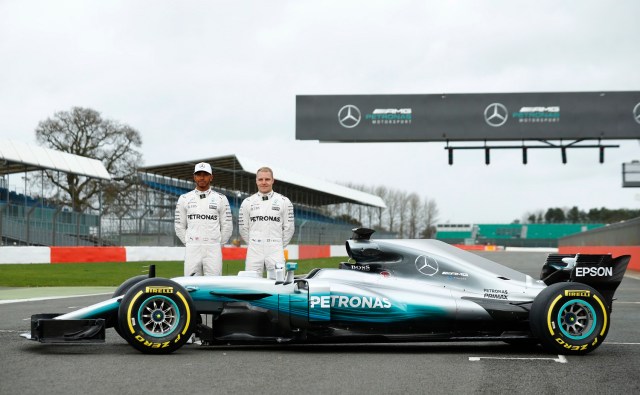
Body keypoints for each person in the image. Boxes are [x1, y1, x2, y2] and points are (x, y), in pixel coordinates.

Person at [175, 162, 233, 276]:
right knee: (191, 285)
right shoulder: (184, 198)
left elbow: (227, 226)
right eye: (199, 174)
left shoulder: (221, 199)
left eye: (205, 174)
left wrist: (216, 243)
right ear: (194, 177)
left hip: (213, 248)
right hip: (192, 248)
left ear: (211, 177)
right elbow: (179, 226)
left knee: (214, 285)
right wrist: (189, 242)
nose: (202, 177)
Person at [239, 166, 295, 279]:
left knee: (277, 284)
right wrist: (254, 242)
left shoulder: (284, 201)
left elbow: (289, 228)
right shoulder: (247, 202)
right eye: (260, 179)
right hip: (254, 248)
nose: (264, 182)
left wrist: (277, 244)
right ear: (256, 181)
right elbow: (243, 228)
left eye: (267, 179)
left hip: (275, 248)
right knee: (250, 284)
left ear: (273, 180)